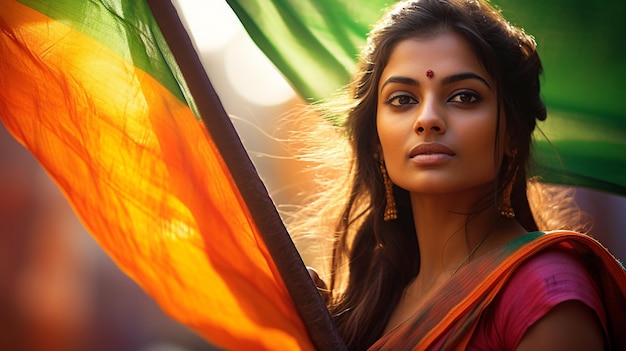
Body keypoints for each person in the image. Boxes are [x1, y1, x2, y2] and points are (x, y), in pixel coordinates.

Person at [292, 0, 626, 349]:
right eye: (403, 99)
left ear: (512, 133)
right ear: (376, 141)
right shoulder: (368, 306)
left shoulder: (543, 290)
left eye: (464, 97)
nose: (428, 119)